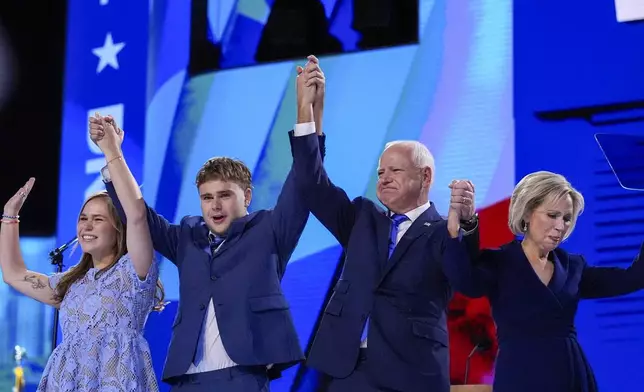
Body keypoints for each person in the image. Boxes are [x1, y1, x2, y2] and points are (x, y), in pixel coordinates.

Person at [89, 82, 327, 391]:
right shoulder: (188, 235)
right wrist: (112, 154)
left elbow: (303, 180)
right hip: (187, 379)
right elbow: (136, 215)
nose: (214, 205)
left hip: (242, 377)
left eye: (225, 195)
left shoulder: (270, 230)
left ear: (248, 196)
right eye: (206, 197)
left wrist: (307, 112)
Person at [290, 55, 481, 392]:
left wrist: (462, 226)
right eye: (380, 172)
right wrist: (308, 113)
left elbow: (466, 279)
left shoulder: (442, 232)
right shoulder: (362, 218)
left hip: (411, 372)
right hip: (349, 372)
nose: (384, 178)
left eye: (395, 171)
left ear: (425, 177)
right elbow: (311, 184)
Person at [0, 116, 164, 391]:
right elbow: (14, 275)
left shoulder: (133, 271)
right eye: (83, 218)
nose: (87, 225)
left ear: (117, 229)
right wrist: (10, 216)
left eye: (98, 219)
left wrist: (113, 152)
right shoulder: (71, 285)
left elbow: (136, 214)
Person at [442, 170, 644, 392]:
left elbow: (632, 278)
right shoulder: (499, 262)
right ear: (527, 213)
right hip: (520, 376)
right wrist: (460, 225)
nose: (560, 226)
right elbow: (464, 281)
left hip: (571, 375)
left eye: (567, 218)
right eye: (552, 215)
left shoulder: (573, 266)